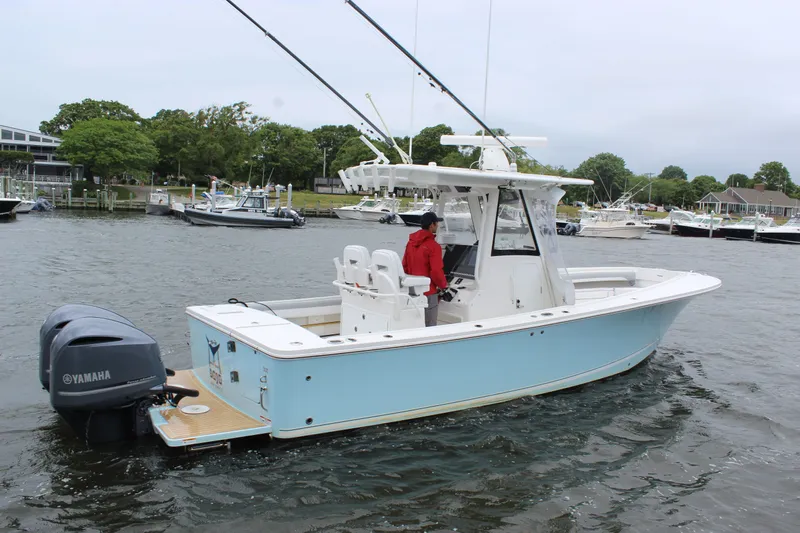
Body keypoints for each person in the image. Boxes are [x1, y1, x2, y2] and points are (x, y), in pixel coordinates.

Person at [402, 211, 448, 327]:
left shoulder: (410, 243)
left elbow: (405, 266)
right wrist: (444, 286)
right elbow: (436, 271)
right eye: (436, 223)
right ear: (432, 225)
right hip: (429, 292)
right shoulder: (434, 246)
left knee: (415, 325)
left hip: (412, 292)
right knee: (430, 327)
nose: (438, 226)